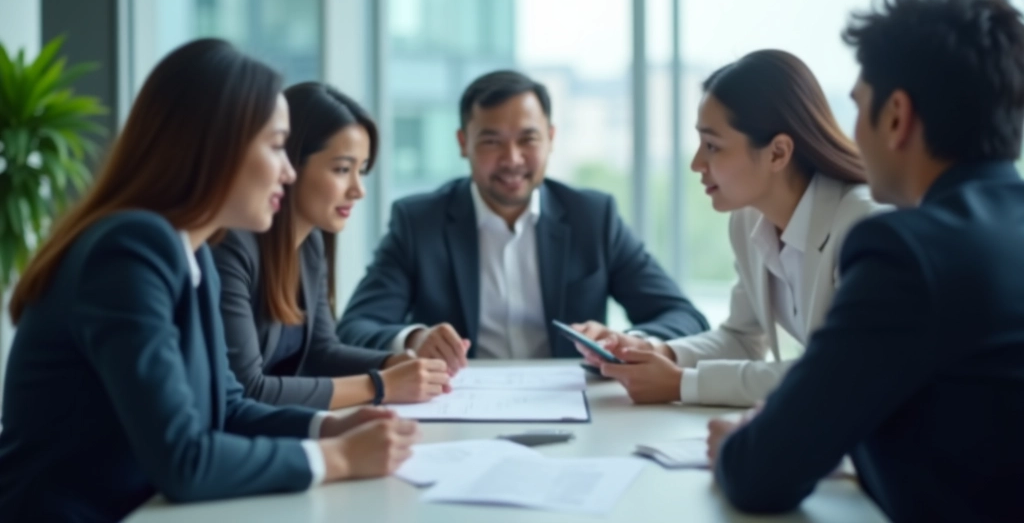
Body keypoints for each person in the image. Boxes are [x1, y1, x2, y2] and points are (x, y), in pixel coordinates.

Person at [0, 39, 419, 521]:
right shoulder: (129, 250)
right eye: (277, 146)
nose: (287, 172)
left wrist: (327, 429)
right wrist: (339, 458)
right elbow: (186, 460)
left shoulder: (190, 252)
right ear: (217, 146)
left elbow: (231, 407)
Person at [708, 0, 1024, 522]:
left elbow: (763, 472)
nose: (850, 132)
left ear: (897, 116)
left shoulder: (907, 254)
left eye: (857, 105)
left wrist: (738, 443)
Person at [336, 70, 709, 372]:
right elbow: (355, 327)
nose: (512, 159)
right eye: (492, 142)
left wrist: (631, 341)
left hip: (573, 401)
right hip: (458, 403)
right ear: (463, 142)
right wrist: (414, 340)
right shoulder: (418, 222)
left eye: (528, 139)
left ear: (550, 138)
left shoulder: (592, 217)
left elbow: (683, 316)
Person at [578, 50, 883, 407]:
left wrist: (683, 384)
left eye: (712, 146)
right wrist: (654, 351)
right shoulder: (749, 219)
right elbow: (741, 339)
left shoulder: (864, 224)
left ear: (777, 153)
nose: (696, 163)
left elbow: (837, 373)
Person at [213, 82, 449, 410]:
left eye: (361, 171)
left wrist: (396, 363)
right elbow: (246, 388)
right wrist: (380, 384)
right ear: (290, 163)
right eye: (342, 169)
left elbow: (322, 351)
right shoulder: (231, 245)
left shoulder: (309, 241)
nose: (358, 190)